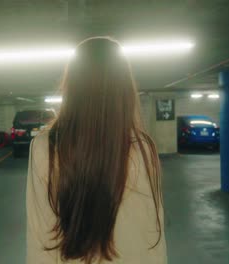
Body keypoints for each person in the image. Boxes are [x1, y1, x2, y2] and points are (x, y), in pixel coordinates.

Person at [27, 37, 167, 264]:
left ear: (72, 87)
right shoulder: (142, 148)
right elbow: (154, 238)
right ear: (124, 89)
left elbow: (39, 238)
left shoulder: (46, 147)